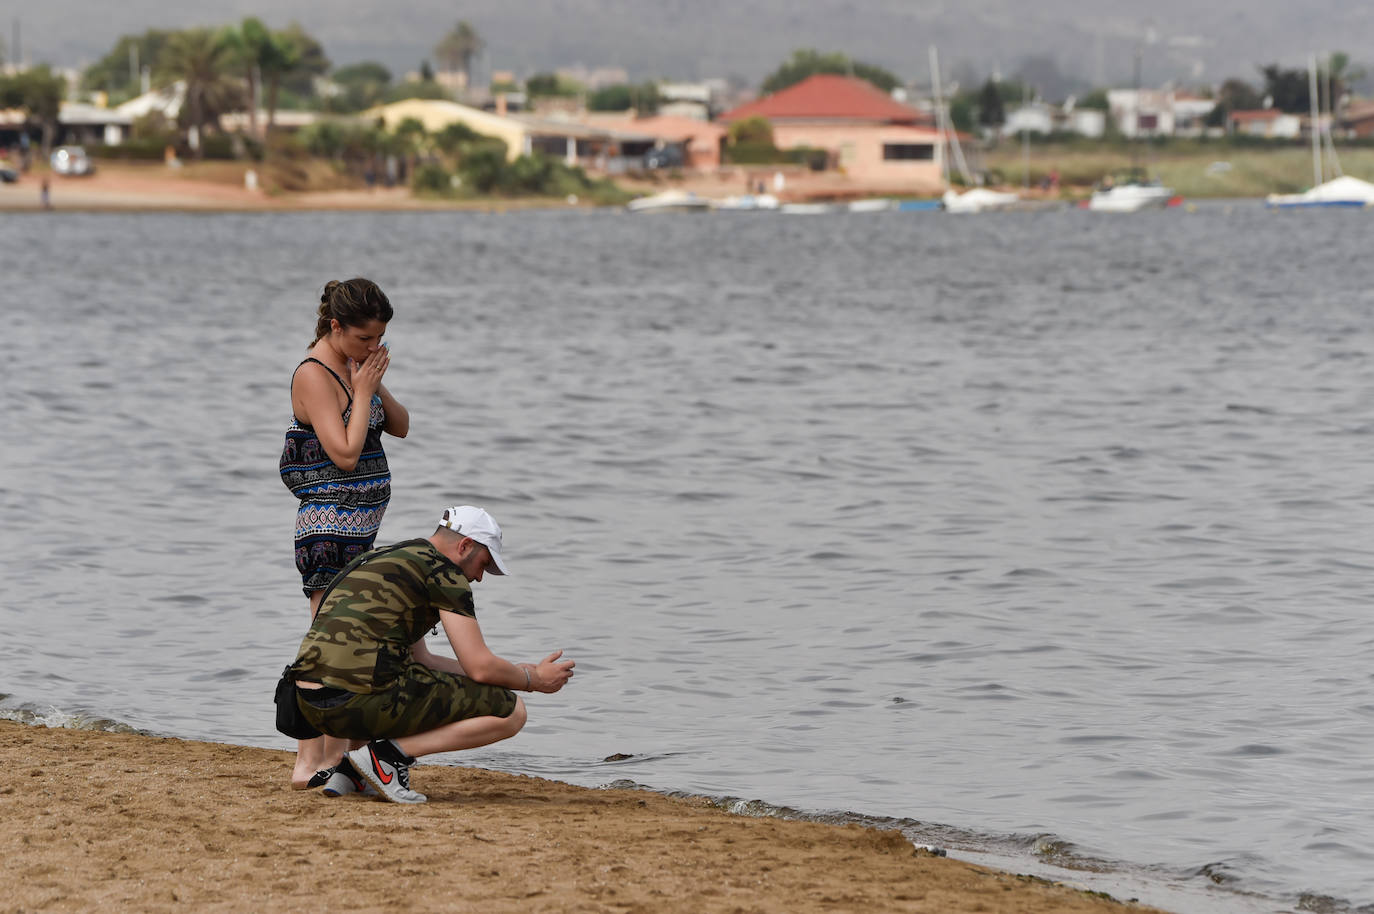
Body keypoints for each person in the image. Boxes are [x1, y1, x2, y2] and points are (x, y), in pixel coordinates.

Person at [288, 505, 576, 804]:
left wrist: (511, 672)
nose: (479, 577)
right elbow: (479, 666)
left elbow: (423, 661)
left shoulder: (385, 557)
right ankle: (386, 757)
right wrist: (532, 679)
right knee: (512, 712)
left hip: (309, 705)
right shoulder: (444, 572)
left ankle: (352, 772)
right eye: (484, 563)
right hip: (354, 700)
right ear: (465, 546)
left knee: (384, 672)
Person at [279, 277, 409, 788]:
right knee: (327, 643)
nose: (373, 347)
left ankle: (330, 757)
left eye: (380, 339)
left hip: (361, 528)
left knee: (343, 640)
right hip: (328, 528)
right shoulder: (314, 374)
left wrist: (371, 381)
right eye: (364, 338)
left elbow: (400, 425)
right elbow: (346, 453)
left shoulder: (356, 365)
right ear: (335, 326)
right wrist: (362, 389)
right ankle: (310, 761)